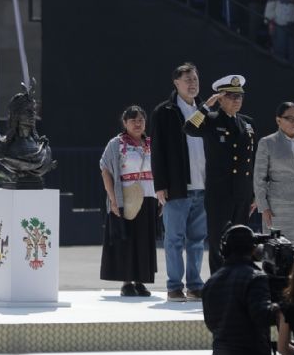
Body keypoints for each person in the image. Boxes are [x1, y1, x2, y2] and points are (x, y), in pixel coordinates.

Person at [184, 75, 255, 274]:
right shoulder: (212, 120)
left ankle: (239, 277)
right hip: (220, 192)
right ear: (221, 99)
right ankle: (219, 279)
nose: (237, 100)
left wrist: (254, 193)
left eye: (239, 97)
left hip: (242, 191)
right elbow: (189, 128)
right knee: (218, 239)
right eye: (231, 96)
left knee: (241, 238)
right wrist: (206, 106)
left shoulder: (247, 124)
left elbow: (251, 160)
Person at [150, 62, 207, 302]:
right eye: (187, 80)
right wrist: (160, 185)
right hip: (177, 187)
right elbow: (157, 151)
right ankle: (174, 285)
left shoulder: (207, 110)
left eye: (195, 79)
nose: (192, 84)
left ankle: (194, 285)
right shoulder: (164, 112)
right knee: (174, 239)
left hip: (203, 186)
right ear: (176, 83)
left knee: (197, 240)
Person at [202, 224, 279, 355]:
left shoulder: (211, 281)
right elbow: (263, 315)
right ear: (253, 250)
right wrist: (284, 306)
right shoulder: (255, 278)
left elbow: (211, 323)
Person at [99, 105, 158, 297]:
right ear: (125, 123)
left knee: (144, 240)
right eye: (133, 120)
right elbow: (106, 170)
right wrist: (113, 199)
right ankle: (126, 282)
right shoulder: (116, 144)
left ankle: (141, 280)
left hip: (149, 198)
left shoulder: (151, 143)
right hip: (126, 199)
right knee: (127, 240)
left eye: (141, 119)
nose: (138, 123)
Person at [253, 102, 294, 254]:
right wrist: (263, 207)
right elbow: (259, 178)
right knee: (277, 250)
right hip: (277, 206)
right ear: (278, 120)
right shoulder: (267, 143)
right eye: (290, 118)